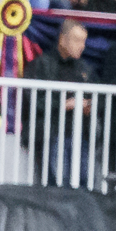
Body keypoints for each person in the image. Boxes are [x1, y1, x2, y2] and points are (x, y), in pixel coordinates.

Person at [23, 18, 97, 188]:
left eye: (83, 41)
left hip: (81, 134)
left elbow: (98, 97)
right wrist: (63, 104)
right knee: (57, 183)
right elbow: (33, 99)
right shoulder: (41, 64)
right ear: (62, 39)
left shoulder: (85, 69)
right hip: (52, 133)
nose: (82, 46)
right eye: (77, 40)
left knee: (84, 182)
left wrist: (89, 105)